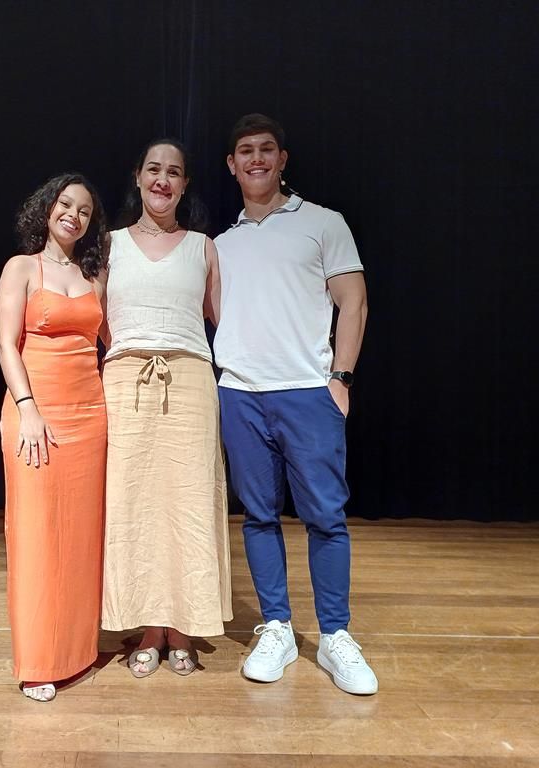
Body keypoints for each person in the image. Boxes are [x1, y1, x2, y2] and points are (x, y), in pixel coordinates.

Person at [213, 114, 378, 695]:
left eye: (266, 149)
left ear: (282, 159)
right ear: (231, 165)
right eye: (245, 151)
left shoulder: (323, 223)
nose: (256, 159)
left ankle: (335, 635)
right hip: (240, 393)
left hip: (308, 393)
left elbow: (353, 303)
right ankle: (277, 628)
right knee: (259, 517)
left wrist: (341, 379)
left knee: (325, 518)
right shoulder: (221, 244)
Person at [100, 138, 232, 677]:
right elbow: (97, 318)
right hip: (126, 381)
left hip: (191, 381)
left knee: (188, 502)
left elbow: (223, 318)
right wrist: (130, 352)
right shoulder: (108, 245)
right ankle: (145, 625)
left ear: (185, 184)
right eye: (153, 169)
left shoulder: (203, 247)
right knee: (132, 504)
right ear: (137, 176)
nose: (162, 179)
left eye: (173, 172)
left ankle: (182, 626)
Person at [0, 173, 108, 702]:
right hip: (35, 415)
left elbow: (111, 340)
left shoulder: (93, 276)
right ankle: (39, 660)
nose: (73, 215)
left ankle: (78, 651)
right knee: (37, 537)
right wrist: (28, 409)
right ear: (47, 208)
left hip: (90, 418)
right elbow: (6, 345)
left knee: (82, 538)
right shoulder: (21, 267)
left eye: (84, 210)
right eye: (65, 204)